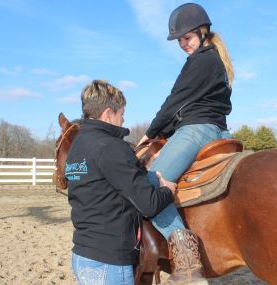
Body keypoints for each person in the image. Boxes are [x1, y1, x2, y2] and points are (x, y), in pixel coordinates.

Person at [137, 3, 234, 284]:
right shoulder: (216, 61)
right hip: (220, 132)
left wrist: (150, 132)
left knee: (149, 186)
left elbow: (175, 102)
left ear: (203, 33)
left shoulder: (201, 60)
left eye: (186, 38)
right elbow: (188, 104)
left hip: (197, 131)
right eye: (179, 40)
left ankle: (187, 259)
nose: (182, 44)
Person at [66, 80, 177, 285]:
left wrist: (136, 166)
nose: (123, 118)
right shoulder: (111, 146)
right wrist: (167, 191)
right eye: (121, 113)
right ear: (108, 113)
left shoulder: (78, 146)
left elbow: (103, 183)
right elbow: (148, 204)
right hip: (109, 262)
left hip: (83, 255)